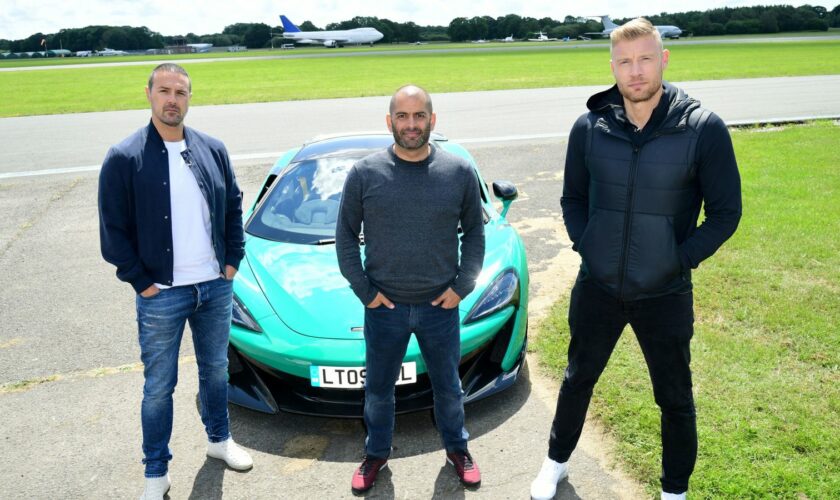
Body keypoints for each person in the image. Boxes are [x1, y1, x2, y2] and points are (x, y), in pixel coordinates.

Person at [530, 18, 742, 500]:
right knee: (577, 377)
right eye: (625, 61)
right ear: (613, 67)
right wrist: (589, 245)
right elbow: (572, 200)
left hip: (664, 291)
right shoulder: (589, 127)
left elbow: (726, 213)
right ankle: (555, 463)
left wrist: (678, 259)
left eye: (645, 58)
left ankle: (674, 492)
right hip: (598, 287)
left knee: (674, 398)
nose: (636, 70)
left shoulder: (703, 128)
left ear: (663, 60)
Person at [98, 63, 253, 500]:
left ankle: (219, 441)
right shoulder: (124, 157)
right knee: (159, 386)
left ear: (189, 98)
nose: (172, 99)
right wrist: (142, 282)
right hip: (161, 294)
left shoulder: (212, 148)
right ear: (148, 94)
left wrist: (232, 260)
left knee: (217, 371)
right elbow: (113, 230)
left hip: (215, 286)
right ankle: (156, 472)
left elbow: (233, 206)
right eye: (164, 91)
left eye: (180, 92)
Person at [336, 84, 486, 494]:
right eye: (402, 116)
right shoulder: (365, 173)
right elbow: (346, 237)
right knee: (379, 392)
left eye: (419, 116)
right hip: (384, 308)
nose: (411, 124)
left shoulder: (457, 172)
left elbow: (475, 232)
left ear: (432, 120)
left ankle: (458, 449)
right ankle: (375, 454)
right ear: (390, 122)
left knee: (449, 389)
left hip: (441, 307)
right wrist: (365, 291)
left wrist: (462, 286)